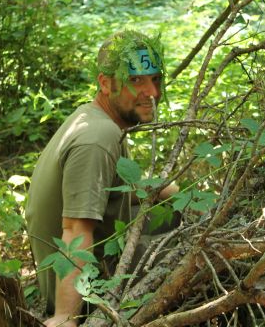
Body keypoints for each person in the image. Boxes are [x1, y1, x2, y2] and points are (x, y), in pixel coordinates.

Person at [25, 30, 177, 327]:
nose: (153, 92)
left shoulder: (97, 118)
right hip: (90, 285)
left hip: (98, 255)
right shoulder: (98, 138)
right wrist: (65, 317)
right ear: (105, 84)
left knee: (176, 210)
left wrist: (163, 189)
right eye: (136, 80)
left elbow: (105, 190)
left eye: (155, 79)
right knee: (195, 243)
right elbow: (75, 230)